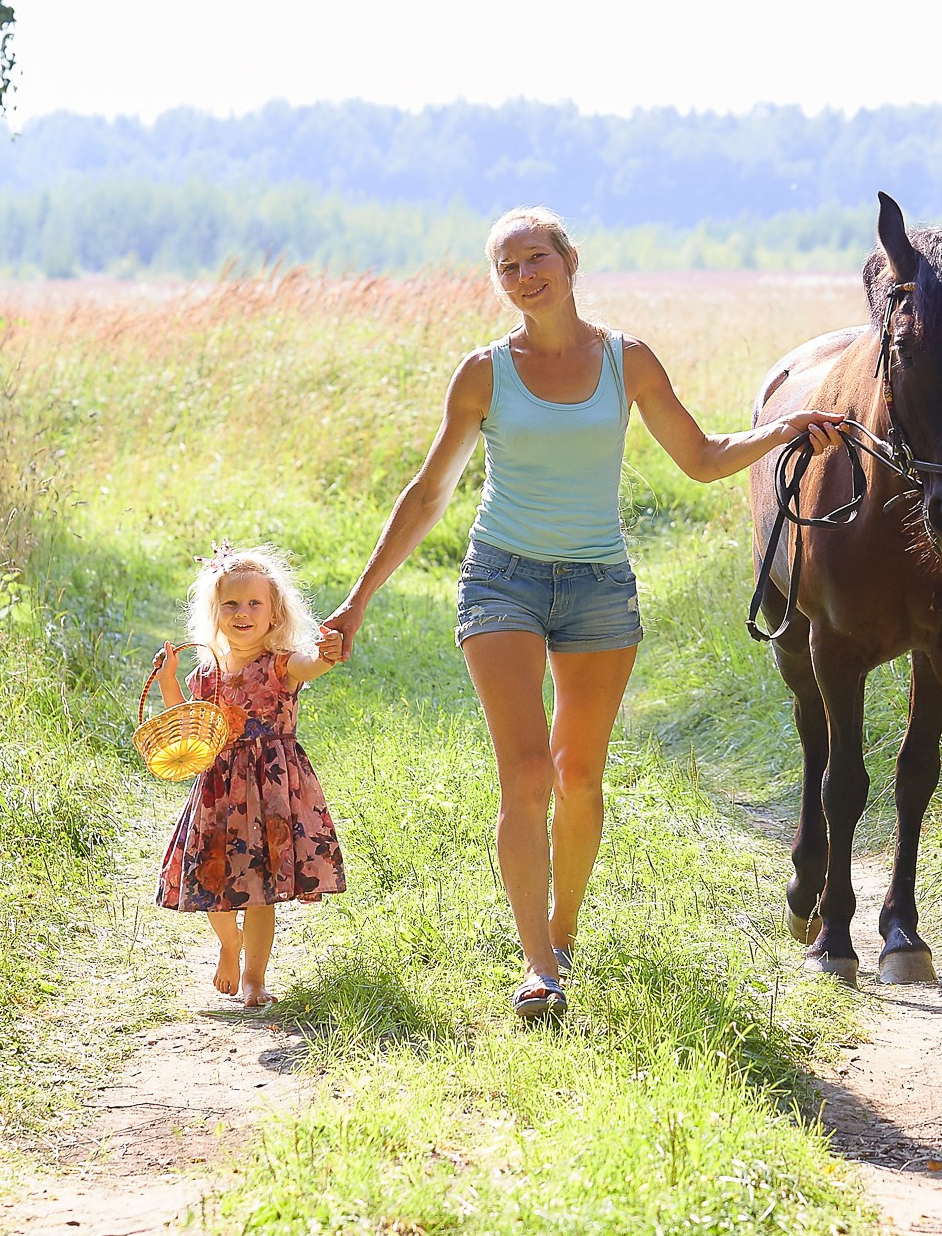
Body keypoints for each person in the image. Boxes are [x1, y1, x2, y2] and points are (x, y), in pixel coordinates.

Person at [323, 207, 842, 1024]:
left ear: (569, 260)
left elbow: (701, 458)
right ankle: (539, 970)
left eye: (536, 259)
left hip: (599, 584)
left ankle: (561, 932)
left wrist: (780, 430)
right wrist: (356, 602)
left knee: (578, 777)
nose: (524, 277)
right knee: (527, 775)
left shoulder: (625, 360)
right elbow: (428, 495)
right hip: (502, 580)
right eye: (507, 267)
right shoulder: (482, 373)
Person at [153, 542, 346, 1008]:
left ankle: (255, 979)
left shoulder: (283, 665)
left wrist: (326, 652)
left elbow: (312, 664)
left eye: (254, 603)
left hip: (272, 790)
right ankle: (229, 943)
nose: (243, 612)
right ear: (215, 612)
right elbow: (188, 728)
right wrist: (167, 681)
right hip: (219, 790)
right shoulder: (207, 674)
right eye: (231, 604)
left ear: (275, 612)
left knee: (261, 888)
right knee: (210, 875)